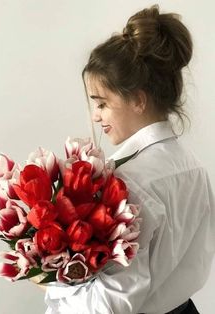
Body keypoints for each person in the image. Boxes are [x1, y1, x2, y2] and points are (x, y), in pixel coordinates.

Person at [43, 5, 215, 313]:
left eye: (103, 103)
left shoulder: (126, 184)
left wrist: (50, 279)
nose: (96, 116)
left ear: (137, 99)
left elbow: (111, 304)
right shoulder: (194, 168)